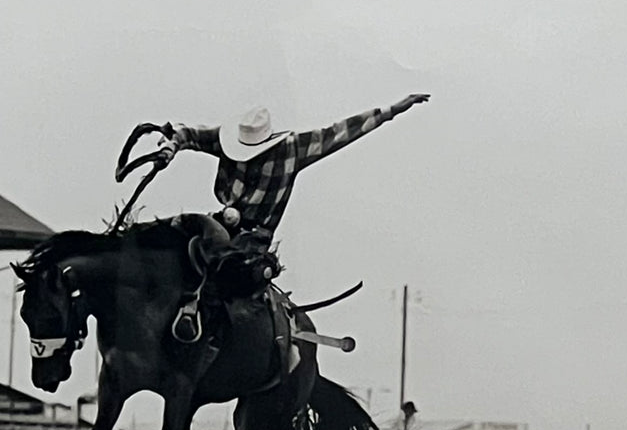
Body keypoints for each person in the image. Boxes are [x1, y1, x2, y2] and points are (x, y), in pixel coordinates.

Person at [153, 94, 431, 337]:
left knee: (230, 272)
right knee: (179, 234)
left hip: (254, 237)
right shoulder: (226, 140)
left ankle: (210, 324)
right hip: (219, 221)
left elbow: (340, 132)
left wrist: (392, 110)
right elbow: (187, 133)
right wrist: (169, 147)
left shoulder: (291, 149)